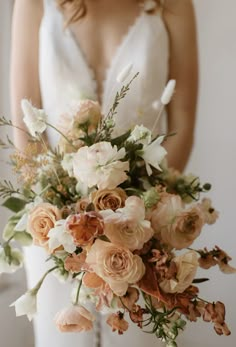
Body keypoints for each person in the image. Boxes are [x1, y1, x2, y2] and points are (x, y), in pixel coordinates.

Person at [10, 0, 198, 346]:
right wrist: (68, 216)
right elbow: (26, 125)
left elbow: (182, 122)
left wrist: (140, 220)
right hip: (56, 231)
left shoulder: (173, 4)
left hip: (144, 230)